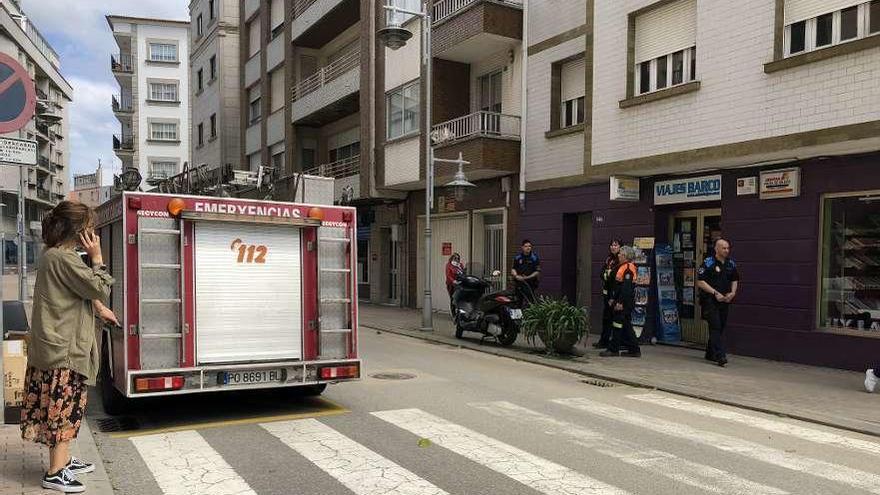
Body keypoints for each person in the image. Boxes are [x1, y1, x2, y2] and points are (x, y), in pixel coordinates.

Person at [20, 201, 117, 493]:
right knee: (63, 409)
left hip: (55, 345)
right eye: (89, 226)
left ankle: (63, 461)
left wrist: (99, 309)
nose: (93, 232)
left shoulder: (56, 255)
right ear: (77, 230)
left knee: (66, 407)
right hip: (63, 349)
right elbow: (97, 286)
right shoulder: (66, 259)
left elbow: (81, 291)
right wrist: (97, 258)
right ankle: (55, 472)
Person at [696, 238, 739, 367]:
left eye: (727, 248)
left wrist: (733, 292)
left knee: (720, 327)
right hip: (710, 300)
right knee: (715, 326)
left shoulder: (730, 264)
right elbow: (700, 281)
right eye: (723, 248)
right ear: (716, 249)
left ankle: (710, 352)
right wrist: (715, 293)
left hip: (725, 301)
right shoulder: (708, 263)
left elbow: (735, 279)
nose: (726, 250)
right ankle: (720, 356)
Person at [600, 245, 641, 357]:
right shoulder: (622, 266)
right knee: (626, 325)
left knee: (617, 325)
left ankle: (614, 349)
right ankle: (634, 349)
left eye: (621, 254)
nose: (618, 255)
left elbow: (626, 289)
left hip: (624, 302)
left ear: (626, 256)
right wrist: (613, 299)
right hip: (619, 300)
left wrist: (620, 303)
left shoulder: (628, 268)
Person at [593, 239, 621, 349]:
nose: (613, 247)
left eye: (616, 245)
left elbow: (613, 277)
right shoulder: (609, 259)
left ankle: (614, 342)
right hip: (607, 294)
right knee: (606, 318)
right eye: (612, 245)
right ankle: (603, 341)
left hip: (615, 294)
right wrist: (607, 275)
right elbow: (602, 273)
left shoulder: (620, 260)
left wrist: (607, 275)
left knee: (616, 319)